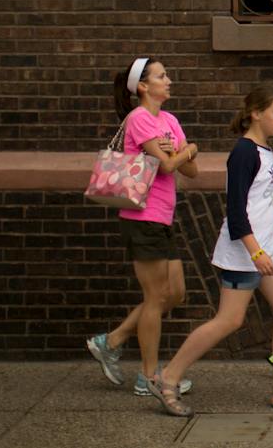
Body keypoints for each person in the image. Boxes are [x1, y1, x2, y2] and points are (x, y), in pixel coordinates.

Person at [152, 87, 273, 417]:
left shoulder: (264, 150)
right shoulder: (244, 152)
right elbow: (235, 211)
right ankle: (167, 378)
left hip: (266, 249)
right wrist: (255, 252)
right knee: (229, 319)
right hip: (246, 251)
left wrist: (265, 250)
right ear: (256, 113)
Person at [86, 58, 199, 397]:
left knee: (174, 293)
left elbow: (191, 171)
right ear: (143, 87)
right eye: (162, 76)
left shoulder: (170, 120)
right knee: (155, 297)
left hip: (164, 217)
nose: (169, 80)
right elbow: (167, 166)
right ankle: (148, 377)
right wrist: (188, 149)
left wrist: (182, 154)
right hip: (142, 217)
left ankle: (112, 340)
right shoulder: (139, 119)